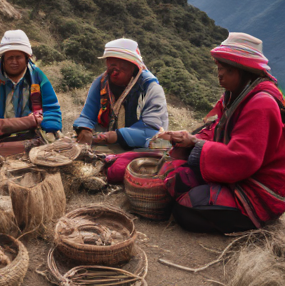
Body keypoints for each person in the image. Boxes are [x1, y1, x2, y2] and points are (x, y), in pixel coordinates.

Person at [164, 32, 285, 233]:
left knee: (184, 209)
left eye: (224, 70)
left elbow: (242, 159)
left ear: (240, 70)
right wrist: (189, 140)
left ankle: (256, 223)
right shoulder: (234, 96)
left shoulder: (261, 104)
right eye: (218, 68)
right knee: (176, 179)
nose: (218, 74)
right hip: (237, 174)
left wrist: (196, 145)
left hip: (258, 190)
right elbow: (212, 129)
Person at [74, 38, 168, 149]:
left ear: (134, 67)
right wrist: (84, 129)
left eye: (122, 67)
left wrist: (115, 136)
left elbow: (152, 129)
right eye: (112, 65)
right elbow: (87, 115)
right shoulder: (101, 83)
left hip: (144, 143)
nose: (114, 72)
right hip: (110, 140)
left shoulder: (150, 88)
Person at [0, 30, 62, 144]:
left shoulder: (37, 76)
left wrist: (45, 124)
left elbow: (52, 108)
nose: (14, 61)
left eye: (18, 57)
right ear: (3, 59)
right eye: (10, 57)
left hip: (30, 133)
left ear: (27, 58)